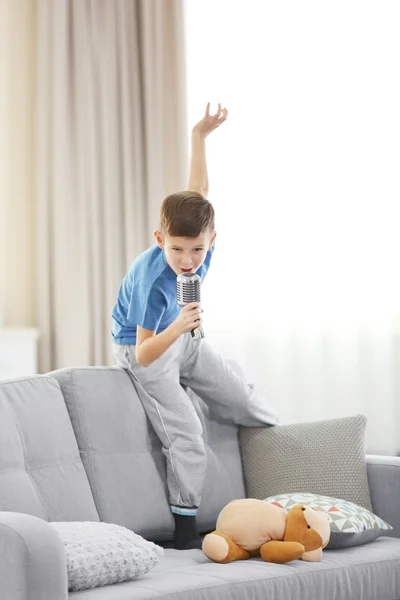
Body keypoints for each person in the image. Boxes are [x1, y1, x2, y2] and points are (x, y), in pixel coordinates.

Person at [112, 103, 279, 550]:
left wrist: (199, 134)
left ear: (212, 239)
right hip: (147, 346)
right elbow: (145, 355)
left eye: (197, 251)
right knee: (188, 432)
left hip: (183, 334)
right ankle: (185, 529)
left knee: (242, 395)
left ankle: (282, 457)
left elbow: (198, 190)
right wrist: (180, 325)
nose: (188, 261)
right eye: (177, 250)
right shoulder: (153, 283)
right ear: (159, 240)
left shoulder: (198, 230)